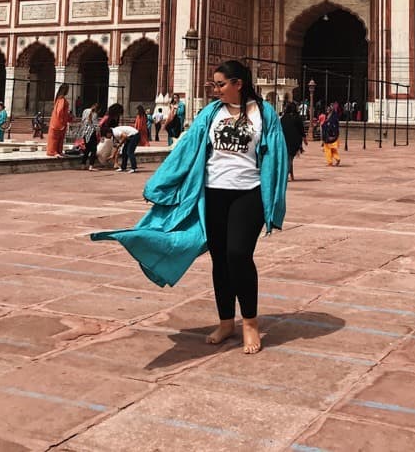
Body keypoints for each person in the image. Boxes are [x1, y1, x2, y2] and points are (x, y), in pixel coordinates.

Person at [90, 59, 288, 355]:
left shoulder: (264, 113)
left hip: (248, 193)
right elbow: (186, 150)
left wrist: (274, 199)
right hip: (212, 193)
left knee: (239, 255)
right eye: (214, 84)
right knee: (220, 259)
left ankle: (249, 322)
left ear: (238, 84)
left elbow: (277, 155)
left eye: (221, 84)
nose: (215, 89)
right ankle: (225, 322)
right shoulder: (211, 113)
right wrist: (160, 184)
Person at [280, 101, 307, 182]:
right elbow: (301, 129)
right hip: (294, 141)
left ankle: (290, 174)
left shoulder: (283, 118)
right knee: (289, 159)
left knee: (288, 158)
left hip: (284, 140)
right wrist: (304, 138)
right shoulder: (297, 117)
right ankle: (287, 174)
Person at [46, 84, 71, 158]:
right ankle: (54, 151)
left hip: (57, 120)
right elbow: (59, 111)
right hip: (59, 121)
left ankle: (58, 151)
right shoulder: (62, 99)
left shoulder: (58, 99)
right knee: (56, 138)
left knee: (59, 137)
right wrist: (62, 120)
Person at [80, 103, 100, 170]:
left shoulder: (85, 111)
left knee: (87, 149)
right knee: (94, 150)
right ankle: (91, 165)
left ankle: (83, 164)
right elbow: (96, 125)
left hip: (85, 132)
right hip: (91, 133)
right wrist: (98, 132)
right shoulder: (95, 114)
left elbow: (82, 120)